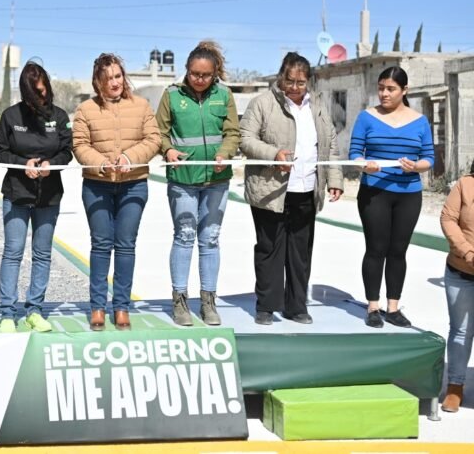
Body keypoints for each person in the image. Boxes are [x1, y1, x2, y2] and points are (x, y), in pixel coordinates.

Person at [240, 52, 343, 326]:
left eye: (301, 82)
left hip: (306, 189)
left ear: (308, 82)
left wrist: (334, 178)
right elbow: (245, 139)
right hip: (270, 191)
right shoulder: (262, 103)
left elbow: (330, 144)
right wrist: (274, 154)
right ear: (280, 77)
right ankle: (266, 306)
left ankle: (296, 306)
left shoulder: (317, 107)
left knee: (300, 253)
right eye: (290, 81)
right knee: (269, 249)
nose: (295, 87)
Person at [72, 53, 160, 331]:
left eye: (118, 76)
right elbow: (79, 145)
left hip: (133, 184)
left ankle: (121, 306)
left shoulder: (142, 105)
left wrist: (130, 158)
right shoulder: (85, 109)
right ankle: (97, 306)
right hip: (97, 185)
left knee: (125, 245)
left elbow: (153, 139)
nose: (114, 82)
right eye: (108, 78)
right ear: (98, 81)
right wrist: (100, 163)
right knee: (101, 245)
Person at [155, 41, 240, 327]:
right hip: (183, 180)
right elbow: (159, 132)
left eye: (205, 75)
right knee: (184, 235)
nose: (199, 79)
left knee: (211, 238)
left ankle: (208, 301)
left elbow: (232, 133)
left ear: (214, 74)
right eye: (194, 74)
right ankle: (179, 300)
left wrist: (225, 153)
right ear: (186, 70)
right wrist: (168, 150)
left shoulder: (224, 95)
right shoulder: (171, 95)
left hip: (217, 179)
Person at [350, 66, 434, 328]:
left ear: (404, 90)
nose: (384, 94)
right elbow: (354, 153)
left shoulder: (420, 121)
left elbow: (428, 158)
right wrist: (364, 165)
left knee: (398, 251)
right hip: (374, 192)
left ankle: (393, 308)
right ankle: (373, 307)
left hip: (409, 194)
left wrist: (416, 166)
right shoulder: (366, 117)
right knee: (376, 248)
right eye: (381, 88)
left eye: (391, 89)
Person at [0, 61, 72, 333]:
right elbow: (0, 152)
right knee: (13, 252)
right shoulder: (11, 116)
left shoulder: (59, 116)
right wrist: (21, 164)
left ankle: (34, 311)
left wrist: (52, 164)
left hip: (49, 195)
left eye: (43, 90)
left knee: (42, 253)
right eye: (34, 93)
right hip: (17, 193)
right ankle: (7, 313)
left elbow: (67, 151)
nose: (40, 96)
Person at [441, 162, 474, 413]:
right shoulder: (465, 184)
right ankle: (455, 386)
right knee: (461, 330)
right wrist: (467, 252)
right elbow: (448, 219)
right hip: (460, 271)